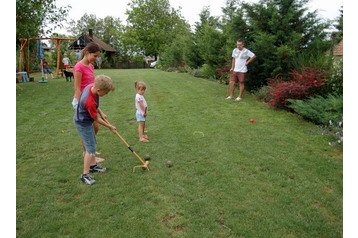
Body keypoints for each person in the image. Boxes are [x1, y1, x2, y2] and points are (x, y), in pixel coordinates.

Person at [74, 75, 116, 185]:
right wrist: (110, 126)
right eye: (105, 93)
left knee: (92, 143)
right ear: (99, 90)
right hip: (83, 123)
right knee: (90, 148)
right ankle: (85, 175)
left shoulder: (91, 86)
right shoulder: (89, 101)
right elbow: (95, 118)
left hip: (85, 120)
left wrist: (101, 112)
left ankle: (93, 167)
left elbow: (95, 106)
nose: (105, 95)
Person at [72, 42, 103, 160]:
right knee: (88, 127)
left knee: (95, 127)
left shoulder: (90, 66)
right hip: (83, 101)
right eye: (94, 56)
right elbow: (77, 88)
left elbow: (92, 84)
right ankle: (87, 152)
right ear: (87, 53)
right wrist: (79, 104)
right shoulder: (78, 67)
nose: (95, 59)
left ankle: (90, 149)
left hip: (91, 98)